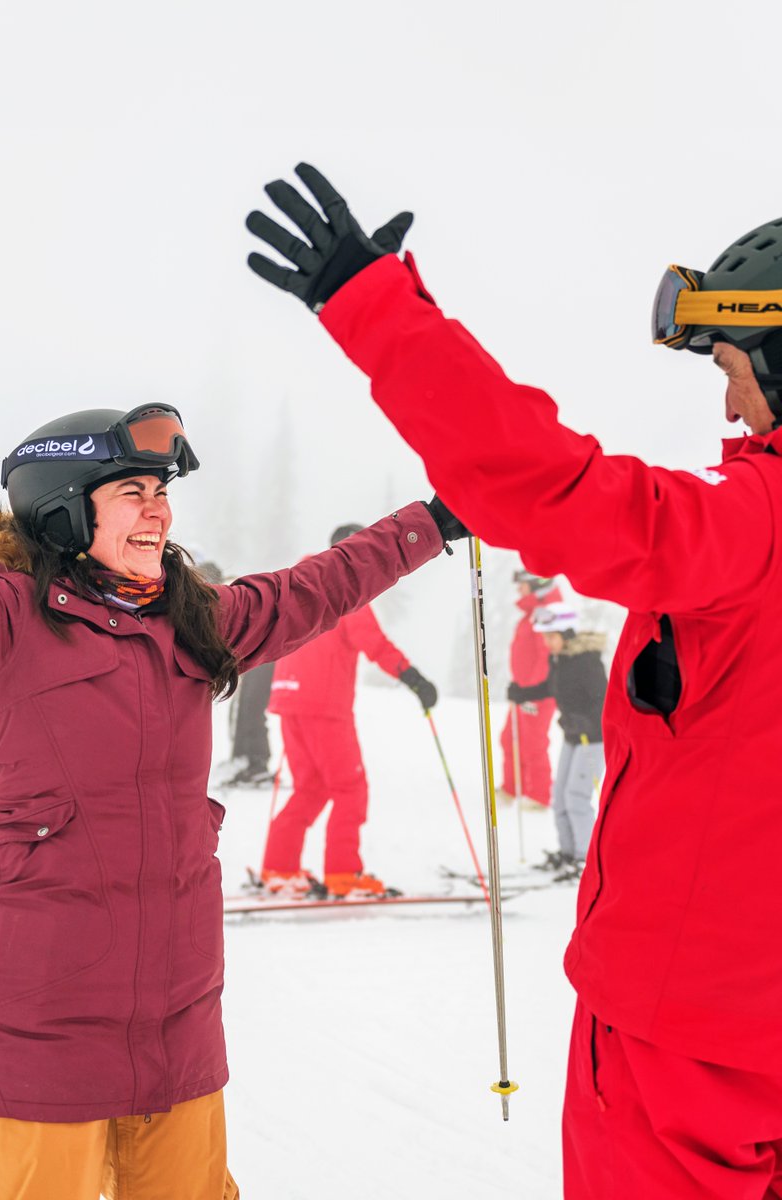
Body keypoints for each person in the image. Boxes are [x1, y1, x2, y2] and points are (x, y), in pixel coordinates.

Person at [246, 165, 782, 1196]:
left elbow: (555, 490)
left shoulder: (754, 517)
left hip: (696, 1036)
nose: (727, 396)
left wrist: (375, 308)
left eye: (733, 364)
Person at [0, 341, 465, 1200]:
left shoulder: (191, 622)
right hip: (33, 1031)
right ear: (62, 510)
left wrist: (434, 520)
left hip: (176, 1026)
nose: (158, 511)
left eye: (161, 493)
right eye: (133, 492)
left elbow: (318, 586)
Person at [261, 522, 439, 898]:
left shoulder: (299, 583)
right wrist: (414, 678)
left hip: (289, 700)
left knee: (311, 788)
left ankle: (279, 867)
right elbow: (373, 643)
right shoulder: (345, 587)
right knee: (349, 788)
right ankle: (344, 874)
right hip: (324, 707)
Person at [507, 602, 606, 881]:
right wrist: (523, 693)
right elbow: (552, 687)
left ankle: (585, 859)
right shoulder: (559, 658)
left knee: (577, 797)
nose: (547, 643)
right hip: (573, 737)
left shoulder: (587, 659)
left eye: (551, 636)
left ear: (567, 632)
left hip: (593, 739)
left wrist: (587, 721)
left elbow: (605, 700)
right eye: (545, 636)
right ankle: (568, 853)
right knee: (561, 795)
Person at [497, 569, 561, 809]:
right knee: (510, 738)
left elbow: (546, 658)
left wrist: (532, 694)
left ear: (537, 584)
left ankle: (538, 796)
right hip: (525, 692)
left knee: (532, 742)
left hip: (537, 694)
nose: (519, 589)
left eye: (522, 584)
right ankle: (512, 789)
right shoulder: (535, 612)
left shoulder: (547, 612)